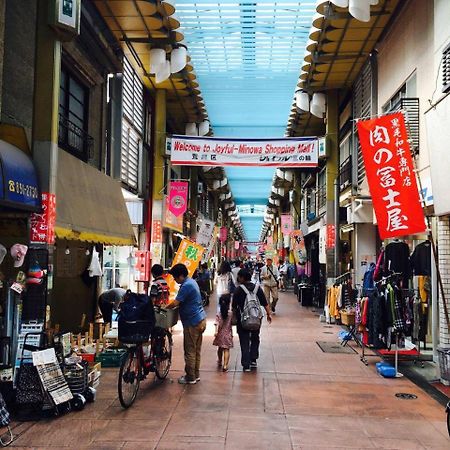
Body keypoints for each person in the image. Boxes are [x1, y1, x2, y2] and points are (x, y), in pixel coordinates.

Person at [167, 263, 206, 385]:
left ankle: (190, 377)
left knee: (189, 350)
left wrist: (165, 308)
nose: (174, 279)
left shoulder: (186, 286)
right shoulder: (192, 282)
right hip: (200, 319)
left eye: (175, 277)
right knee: (196, 350)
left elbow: (176, 303)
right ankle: (196, 374)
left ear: (180, 276)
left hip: (192, 322)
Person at [233, 268, 272, 372]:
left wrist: (232, 318)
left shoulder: (238, 290)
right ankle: (253, 360)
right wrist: (269, 314)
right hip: (256, 318)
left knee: (244, 340)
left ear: (241, 277)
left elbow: (233, 306)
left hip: (243, 319)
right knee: (255, 337)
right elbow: (265, 303)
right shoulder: (257, 288)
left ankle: (246, 365)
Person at [213, 293, 233, 372]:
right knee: (226, 350)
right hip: (228, 335)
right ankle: (225, 365)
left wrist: (215, 332)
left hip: (220, 334)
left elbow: (216, 323)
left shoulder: (219, 314)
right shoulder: (230, 314)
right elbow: (233, 322)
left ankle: (219, 361)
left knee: (220, 348)